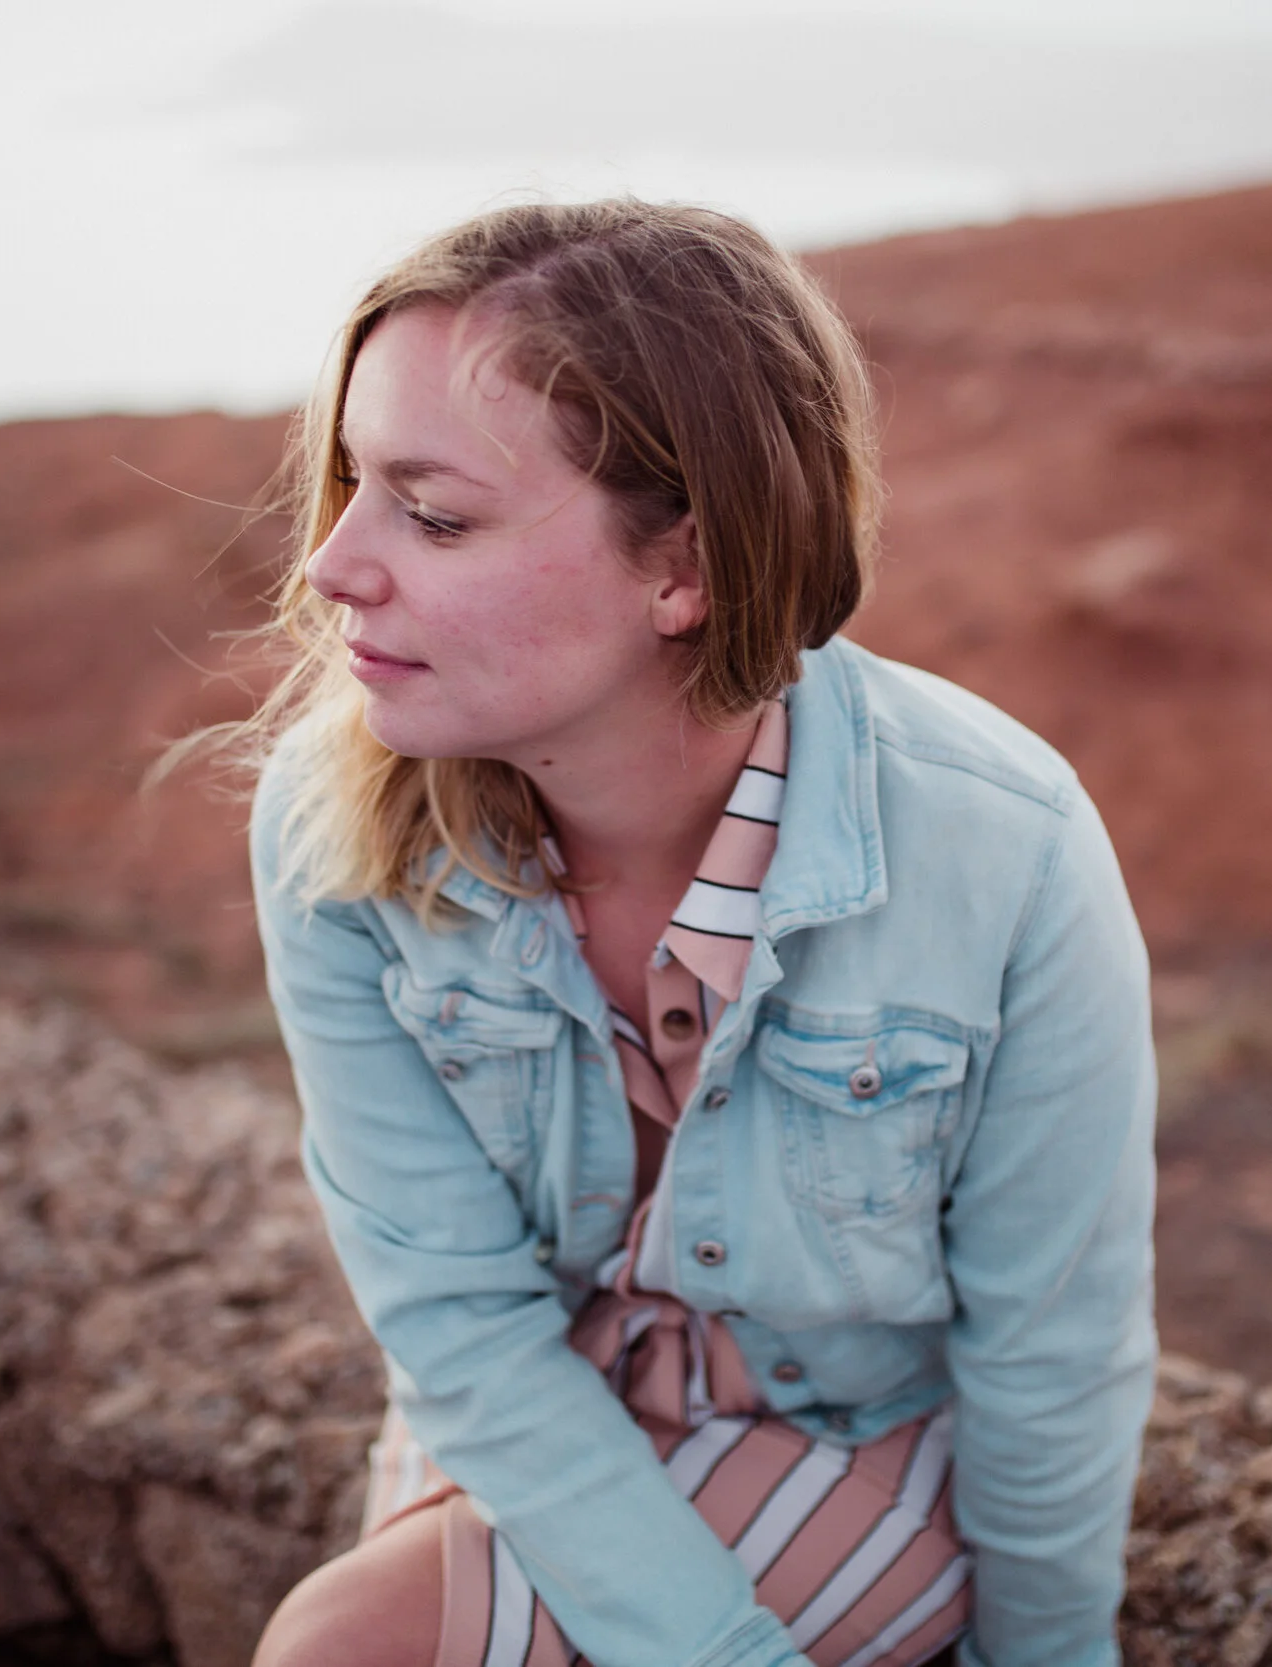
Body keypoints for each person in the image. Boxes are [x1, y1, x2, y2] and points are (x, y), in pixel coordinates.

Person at [241, 199, 1157, 1667]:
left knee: (342, 1648)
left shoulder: (1005, 847)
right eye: (351, 483)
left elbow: (1053, 1346)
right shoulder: (329, 822)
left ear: (687, 568)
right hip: (525, 1396)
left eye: (435, 513)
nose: (331, 565)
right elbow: (457, 1320)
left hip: (851, 1427)